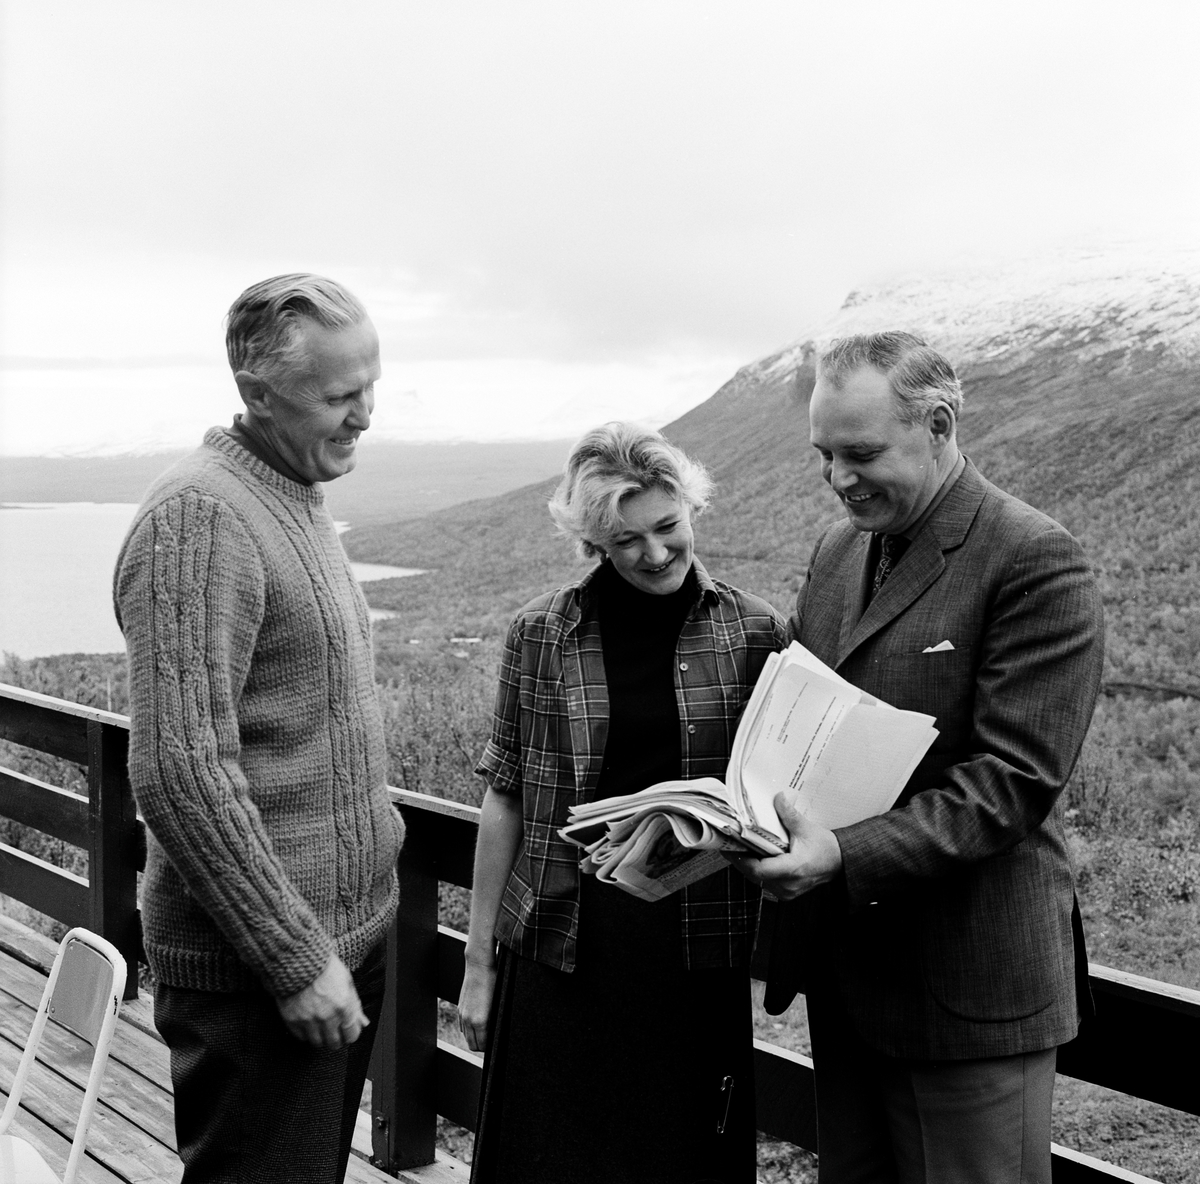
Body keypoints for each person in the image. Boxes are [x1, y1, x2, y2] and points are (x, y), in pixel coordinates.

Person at [735, 331, 1104, 1184]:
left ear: (938, 425)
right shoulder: (838, 551)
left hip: (968, 992)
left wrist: (840, 854)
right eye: (824, 455)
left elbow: (1012, 783)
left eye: (861, 454)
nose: (839, 478)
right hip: (849, 984)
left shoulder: (1032, 557)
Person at [113, 274, 404, 1183]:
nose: (365, 415)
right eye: (340, 395)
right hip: (264, 976)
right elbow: (180, 771)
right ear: (259, 391)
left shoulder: (291, 491)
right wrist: (293, 961)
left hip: (341, 947)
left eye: (371, 386)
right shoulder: (199, 518)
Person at [458, 422, 786, 1184]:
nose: (656, 552)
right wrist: (478, 965)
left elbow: (778, 793)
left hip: (693, 957)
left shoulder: (756, 632)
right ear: (594, 542)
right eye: (626, 540)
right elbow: (504, 797)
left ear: (690, 506)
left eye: (668, 526)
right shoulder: (540, 633)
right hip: (561, 948)